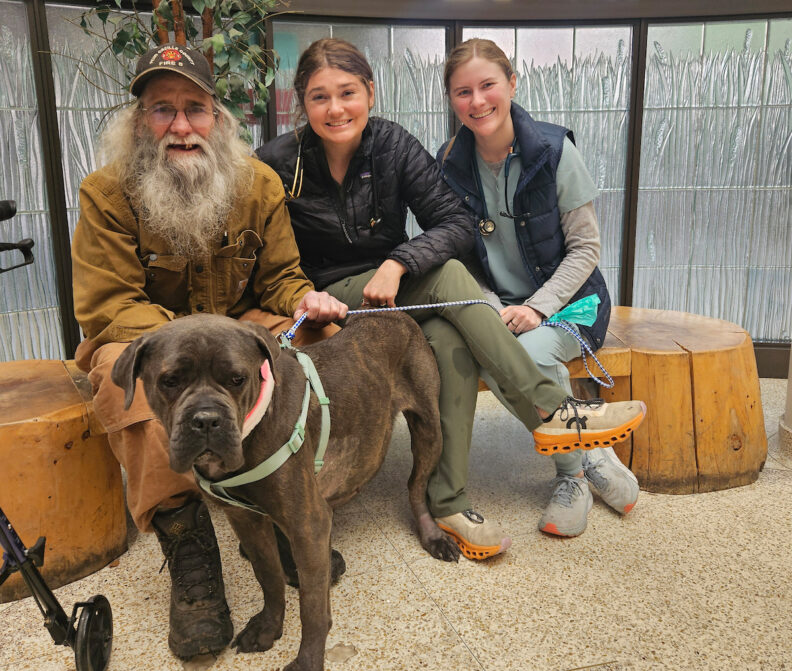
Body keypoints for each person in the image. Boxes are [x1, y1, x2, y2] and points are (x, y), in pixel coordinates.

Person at [256, 38, 645, 560]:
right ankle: (551, 408)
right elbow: (261, 249)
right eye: (319, 97)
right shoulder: (278, 162)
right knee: (450, 275)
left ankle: (448, 501)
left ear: (370, 93)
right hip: (327, 295)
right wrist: (303, 293)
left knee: (449, 342)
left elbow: (454, 221)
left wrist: (398, 262)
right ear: (301, 103)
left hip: (394, 291)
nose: (335, 108)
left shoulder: (394, 144)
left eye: (347, 92)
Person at [70, 43, 347, 660]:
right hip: (141, 332)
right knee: (135, 383)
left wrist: (307, 299)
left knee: (317, 337)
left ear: (217, 119)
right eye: (162, 109)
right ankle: (186, 541)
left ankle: (292, 498)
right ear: (139, 120)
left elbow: (279, 278)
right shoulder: (106, 192)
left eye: (195, 108)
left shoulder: (258, 184)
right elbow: (107, 303)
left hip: (239, 327)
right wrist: (195, 337)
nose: (181, 125)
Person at [437, 37, 642, 538]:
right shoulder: (448, 163)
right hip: (499, 303)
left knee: (525, 351)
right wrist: (488, 307)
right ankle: (589, 450)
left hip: (572, 302)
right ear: (450, 99)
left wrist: (537, 306)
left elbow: (586, 250)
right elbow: (455, 253)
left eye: (488, 85)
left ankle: (571, 475)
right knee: (489, 346)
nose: (477, 101)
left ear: (511, 83)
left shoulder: (554, 151)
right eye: (463, 92)